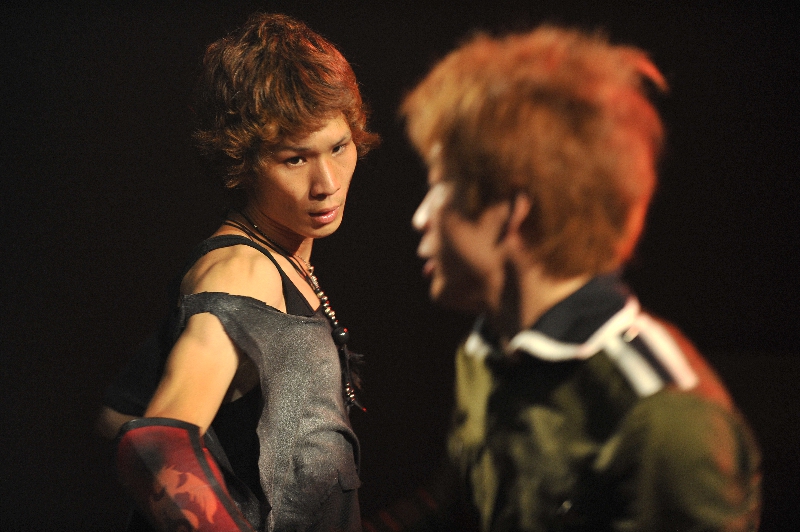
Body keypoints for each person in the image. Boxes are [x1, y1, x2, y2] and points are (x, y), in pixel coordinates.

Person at [366, 25, 762, 531]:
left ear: (513, 209)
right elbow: (454, 504)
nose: (421, 216)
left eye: (441, 186)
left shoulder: (665, 420)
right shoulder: (488, 352)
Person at [97, 12, 379, 532]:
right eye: (294, 159)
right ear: (243, 161)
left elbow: (115, 413)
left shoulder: (280, 261)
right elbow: (157, 451)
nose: (327, 183)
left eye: (339, 147)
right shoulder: (241, 271)